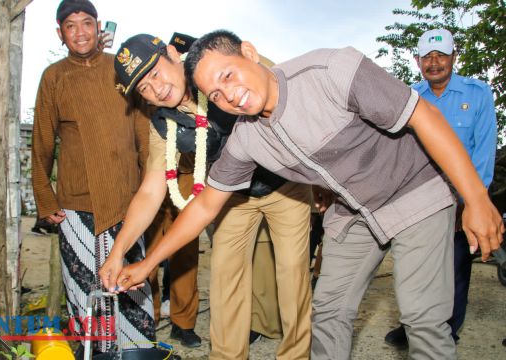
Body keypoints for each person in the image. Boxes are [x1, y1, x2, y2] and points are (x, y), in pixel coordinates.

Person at [112, 30, 505, 360]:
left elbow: (425, 116)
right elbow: (206, 205)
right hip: (353, 210)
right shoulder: (245, 138)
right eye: (215, 94)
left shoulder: (331, 69)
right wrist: (146, 265)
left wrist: (476, 198)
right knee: (328, 311)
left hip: (412, 191)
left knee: (421, 317)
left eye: (229, 76)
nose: (229, 96)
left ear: (250, 53)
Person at [100, 33, 314, 359]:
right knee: (225, 284)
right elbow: (150, 190)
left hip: (285, 186)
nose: (156, 89)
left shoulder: (214, 66)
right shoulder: (162, 123)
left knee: (292, 276)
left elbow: (280, 86)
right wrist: (118, 252)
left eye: (155, 73)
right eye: (144, 87)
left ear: (172, 53)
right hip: (228, 199)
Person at [31, 0, 154, 355]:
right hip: (75, 202)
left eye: (87, 23)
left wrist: (149, 188)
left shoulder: (120, 70)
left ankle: (135, 352)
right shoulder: (53, 77)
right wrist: (45, 194)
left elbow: (143, 134)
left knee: (131, 286)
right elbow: (41, 140)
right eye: (71, 26)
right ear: (60, 33)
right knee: (84, 288)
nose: (81, 32)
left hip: (128, 199)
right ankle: (94, 353)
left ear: (99, 27)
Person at [384, 28, 497, 347]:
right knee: (416, 266)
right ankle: (414, 326)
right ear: (418, 61)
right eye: (427, 57)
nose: (434, 62)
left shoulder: (478, 94)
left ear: (453, 57)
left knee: (455, 269)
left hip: (460, 197)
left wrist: (474, 198)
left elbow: (484, 149)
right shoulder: (410, 96)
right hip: (418, 197)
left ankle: (448, 329)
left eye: (441, 55)